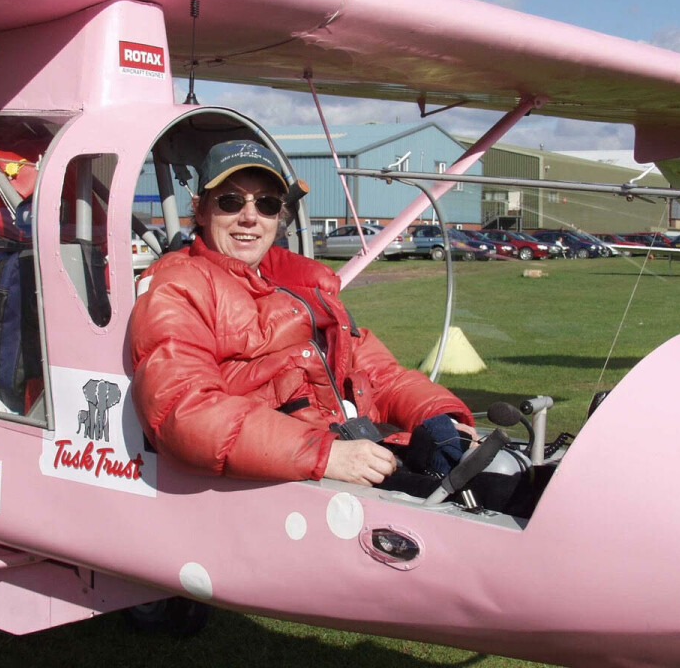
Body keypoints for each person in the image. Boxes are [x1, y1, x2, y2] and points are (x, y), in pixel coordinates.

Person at [130, 140, 474, 487]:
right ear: (201, 211)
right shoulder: (178, 285)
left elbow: (378, 373)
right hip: (292, 477)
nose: (250, 217)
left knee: (508, 479)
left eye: (265, 204)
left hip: (354, 450)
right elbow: (183, 409)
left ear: (278, 217)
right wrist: (324, 455)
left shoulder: (304, 284)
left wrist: (439, 416)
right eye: (231, 202)